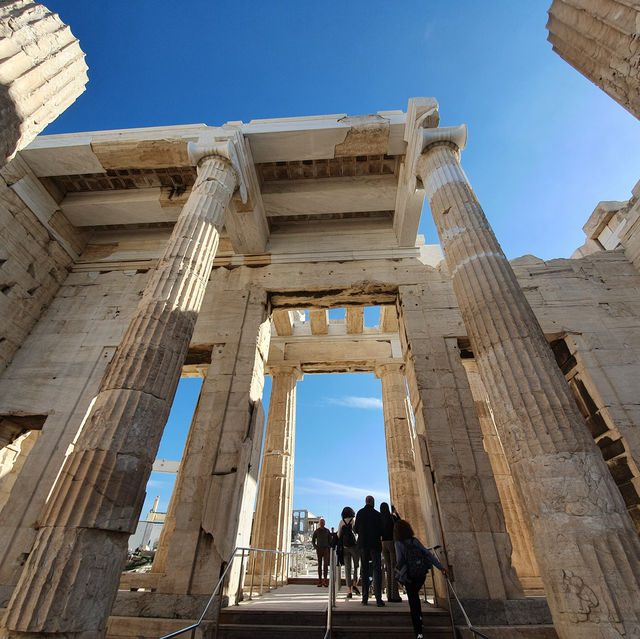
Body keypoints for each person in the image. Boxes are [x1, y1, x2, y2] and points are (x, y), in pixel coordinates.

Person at [394, 519, 448, 639]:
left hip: (409, 577)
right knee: (415, 597)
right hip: (420, 575)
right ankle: (420, 619)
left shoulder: (398, 543)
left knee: (413, 601)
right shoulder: (415, 541)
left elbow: (399, 560)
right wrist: (441, 567)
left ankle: (418, 630)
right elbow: (427, 554)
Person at [354, 495, 384, 606]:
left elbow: (356, 528)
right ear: (372, 502)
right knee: (377, 570)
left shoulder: (360, 513)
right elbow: (381, 530)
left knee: (365, 571)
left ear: (366, 502)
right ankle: (378, 599)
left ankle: (365, 598)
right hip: (375, 545)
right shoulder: (377, 514)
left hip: (363, 545)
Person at [337, 506, 360, 599]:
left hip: (345, 547)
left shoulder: (342, 522)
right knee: (357, 565)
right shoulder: (354, 521)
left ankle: (349, 591)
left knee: (347, 568)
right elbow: (357, 532)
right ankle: (355, 583)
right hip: (354, 546)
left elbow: (339, 535)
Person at [380, 502, 401, 602]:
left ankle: (388, 595)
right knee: (394, 568)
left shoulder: (379, 518)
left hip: (383, 544)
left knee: (387, 569)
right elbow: (400, 523)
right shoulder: (391, 517)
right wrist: (396, 513)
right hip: (392, 543)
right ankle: (394, 595)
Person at [311, 518, 332, 587]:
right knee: (319, 565)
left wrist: (328, 546)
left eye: (323, 522)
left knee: (325, 565)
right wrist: (315, 547)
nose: (322, 523)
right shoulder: (316, 531)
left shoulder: (327, 531)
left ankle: (325, 580)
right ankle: (320, 580)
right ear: (319, 523)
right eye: (321, 522)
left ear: (324, 523)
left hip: (325, 549)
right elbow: (313, 540)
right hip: (319, 549)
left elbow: (330, 539)